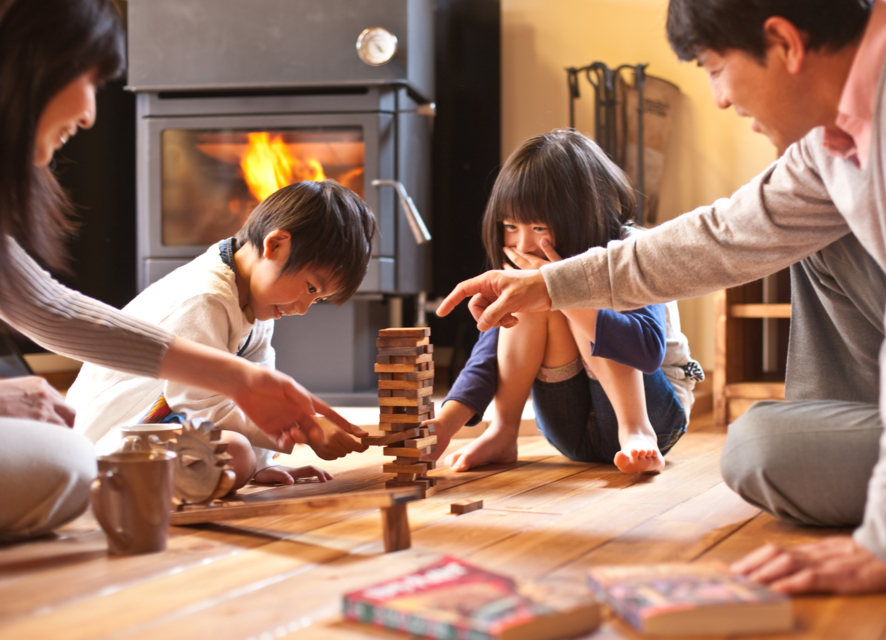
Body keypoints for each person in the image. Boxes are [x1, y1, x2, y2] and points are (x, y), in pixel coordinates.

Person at [437, 0, 886, 595]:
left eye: (714, 68)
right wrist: (547, 285)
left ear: (784, 43)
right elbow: (721, 237)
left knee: (762, 447)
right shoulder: (831, 143)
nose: (718, 99)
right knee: (763, 449)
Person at [0, 0, 361, 541]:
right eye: (88, 77)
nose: (92, 114)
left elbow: (51, 309)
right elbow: (198, 404)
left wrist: (251, 391)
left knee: (70, 462)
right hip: (118, 432)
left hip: (132, 430)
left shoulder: (253, 310)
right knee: (69, 466)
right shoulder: (206, 295)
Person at [67, 180, 375, 489]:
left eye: (317, 298)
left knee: (239, 456)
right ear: (276, 246)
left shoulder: (257, 302)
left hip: (170, 421)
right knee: (234, 453)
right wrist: (305, 433)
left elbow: (259, 389)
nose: (305, 308)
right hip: (112, 438)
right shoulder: (204, 298)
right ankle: (121, 483)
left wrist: (263, 462)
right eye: (310, 288)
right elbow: (201, 405)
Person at [426, 130, 700, 475]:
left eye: (539, 227)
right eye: (510, 226)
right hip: (568, 429)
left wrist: (559, 287)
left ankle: (634, 429)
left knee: (569, 290)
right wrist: (445, 425)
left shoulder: (631, 250)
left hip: (655, 419)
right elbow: (489, 352)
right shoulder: (522, 263)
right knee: (534, 300)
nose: (523, 244)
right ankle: (502, 432)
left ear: (582, 213)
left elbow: (645, 351)